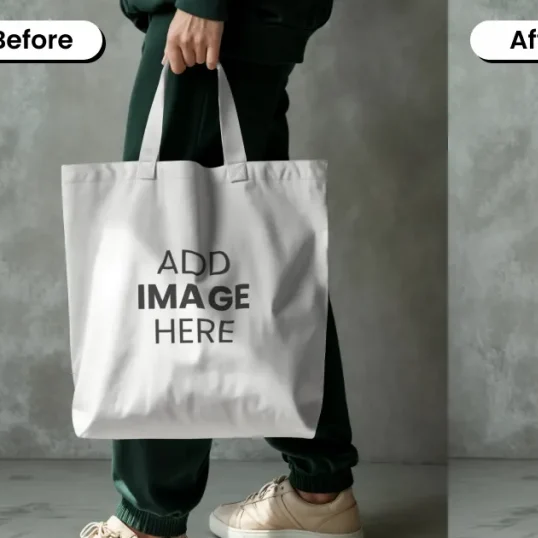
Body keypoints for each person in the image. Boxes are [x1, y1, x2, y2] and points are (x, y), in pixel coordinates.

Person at [79, 2, 363, 537]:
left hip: (214, 15)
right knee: (262, 265)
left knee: (167, 269)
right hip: (249, 16)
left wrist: (202, 2)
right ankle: (319, 490)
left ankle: (148, 519)